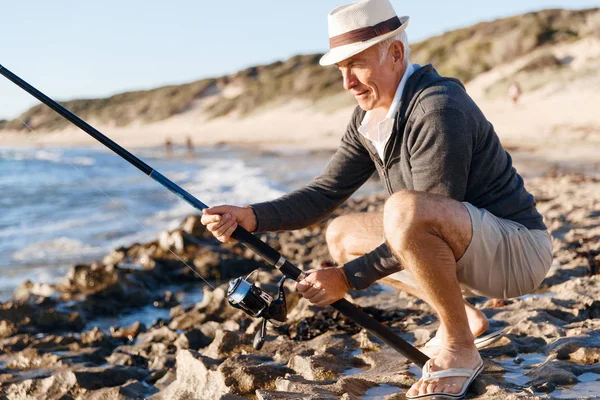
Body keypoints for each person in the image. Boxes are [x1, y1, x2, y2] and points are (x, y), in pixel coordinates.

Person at [200, 0, 552, 398]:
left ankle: (459, 347)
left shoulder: (438, 108)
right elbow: (325, 192)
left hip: (518, 254)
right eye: (341, 70)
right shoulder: (367, 118)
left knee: (404, 209)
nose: (347, 82)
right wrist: (251, 216)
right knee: (341, 233)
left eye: (357, 65)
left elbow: (423, 219)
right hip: (464, 244)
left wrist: (346, 279)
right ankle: (463, 318)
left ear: (396, 53)